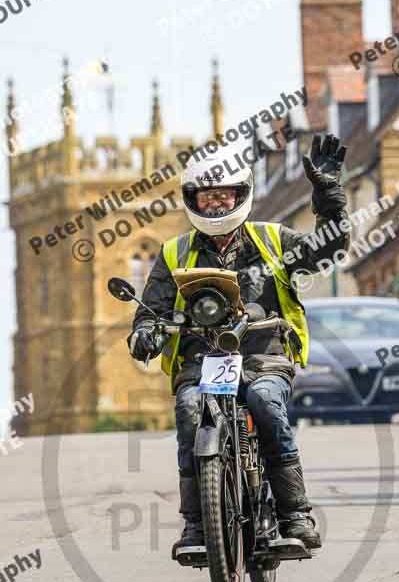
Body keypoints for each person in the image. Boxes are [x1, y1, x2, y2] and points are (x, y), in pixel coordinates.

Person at [128, 134, 350, 557]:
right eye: (205, 196)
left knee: (266, 403)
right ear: (192, 199)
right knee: (190, 411)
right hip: (201, 362)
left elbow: (329, 249)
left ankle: (294, 514)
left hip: (264, 356)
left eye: (223, 195)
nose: (214, 204)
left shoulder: (272, 240)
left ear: (241, 194)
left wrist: (328, 193)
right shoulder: (174, 253)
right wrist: (145, 334)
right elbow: (150, 310)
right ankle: (196, 524)